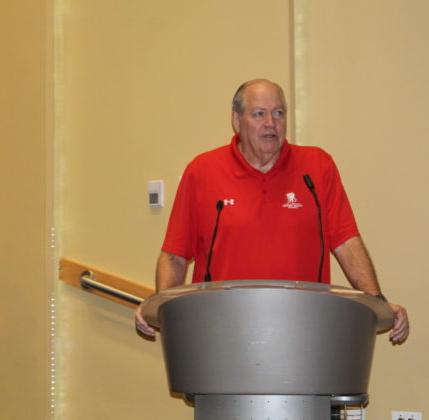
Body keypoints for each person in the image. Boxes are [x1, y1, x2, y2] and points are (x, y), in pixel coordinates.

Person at [135, 79, 409, 344]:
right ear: (236, 121)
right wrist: (162, 309)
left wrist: (377, 303)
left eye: (278, 113)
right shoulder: (202, 171)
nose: (271, 124)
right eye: (259, 114)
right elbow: (175, 256)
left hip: (304, 332)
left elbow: (346, 242)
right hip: (220, 336)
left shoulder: (317, 166)